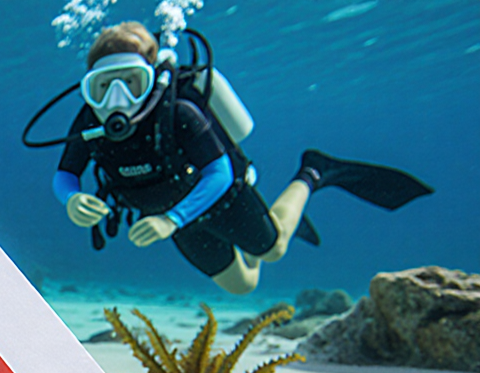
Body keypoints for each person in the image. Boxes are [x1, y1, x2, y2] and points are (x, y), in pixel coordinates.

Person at [53, 22, 433, 294]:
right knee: (243, 286)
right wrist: (70, 198)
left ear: (151, 79)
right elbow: (65, 173)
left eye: (131, 83)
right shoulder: (89, 122)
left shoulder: (180, 112)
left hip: (216, 201)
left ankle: (314, 170)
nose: (116, 100)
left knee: (274, 250)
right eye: (102, 88)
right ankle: (262, 222)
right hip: (177, 222)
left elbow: (218, 173)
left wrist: (171, 219)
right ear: (89, 89)